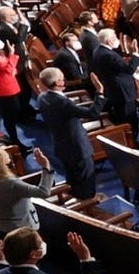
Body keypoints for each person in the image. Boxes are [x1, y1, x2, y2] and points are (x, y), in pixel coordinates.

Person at [38, 67, 107, 200]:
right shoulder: (62, 102)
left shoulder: (42, 97)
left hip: (61, 145)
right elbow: (92, 113)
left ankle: (77, 198)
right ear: (58, 83)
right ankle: (89, 202)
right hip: (77, 146)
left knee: (72, 176)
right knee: (85, 176)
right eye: (62, 78)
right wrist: (100, 92)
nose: (64, 80)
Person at [0, 147, 54, 238]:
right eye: (9, 164)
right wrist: (46, 166)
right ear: (2, 167)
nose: (12, 165)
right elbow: (44, 192)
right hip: (23, 231)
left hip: (0, 229)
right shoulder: (11, 184)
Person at [90, 29, 139, 131]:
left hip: (112, 89)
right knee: (129, 119)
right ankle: (133, 139)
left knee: (121, 115)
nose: (117, 40)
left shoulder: (97, 50)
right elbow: (129, 70)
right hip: (123, 92)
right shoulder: (109, 55)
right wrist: (135, 54)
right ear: (109, 41)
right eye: (115, 38)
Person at [0, 228, 105, 274]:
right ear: (34, 254)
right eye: (40, 242)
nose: (43, 244)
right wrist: (85, 258)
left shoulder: (0, 272)